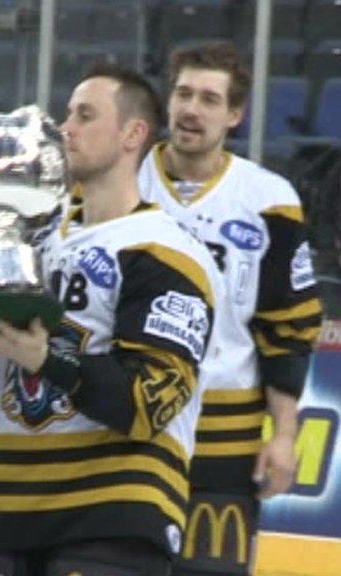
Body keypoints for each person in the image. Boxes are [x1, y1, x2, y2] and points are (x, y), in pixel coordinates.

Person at [0, 65, 222, 576]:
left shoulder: (168, 252)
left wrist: (45, 358)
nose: (66, 129)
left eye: (85, 115)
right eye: (67, 114)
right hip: (5, 511)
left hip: (113, 513)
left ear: (133, 134)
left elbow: (147, 402)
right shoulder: (31, 240)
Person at [137, 42, 323, 575]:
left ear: (234, 115)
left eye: (210, 99)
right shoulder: (123, 183)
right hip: (133, 431)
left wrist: (283, 435)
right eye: (183, 93)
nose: (192, 109)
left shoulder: (269, 199)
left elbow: (287, 327)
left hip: (228, 441)